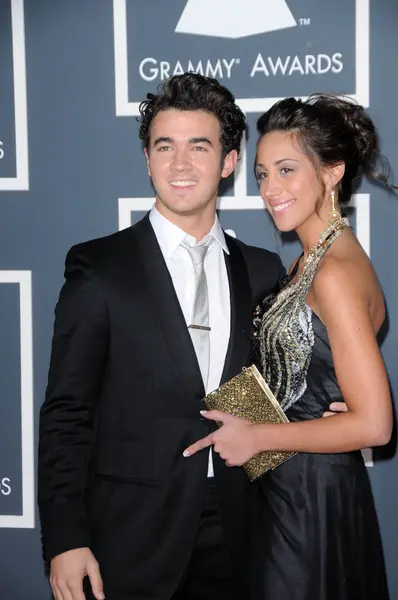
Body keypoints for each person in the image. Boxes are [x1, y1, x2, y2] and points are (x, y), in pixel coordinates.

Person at [37, 72, 287, 600]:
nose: (179, 164)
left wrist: (326, 407)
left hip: (242, 533)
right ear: (147, 158)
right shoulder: (99, 267)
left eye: (199, 147)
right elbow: (67, 413)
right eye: (164, 146)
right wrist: (64, 539)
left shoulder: (263, 271)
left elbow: (275, 393)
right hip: (127, 540)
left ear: (229, 162)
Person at [184, 94, 393, 599]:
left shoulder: (336, 272)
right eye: (261, 175)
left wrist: (258, 437)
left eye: (286, 170)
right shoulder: (315, 260)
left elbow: (374, 424)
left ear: (332, 172)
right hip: (291, 487)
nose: (270, 190)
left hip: (308, 500)